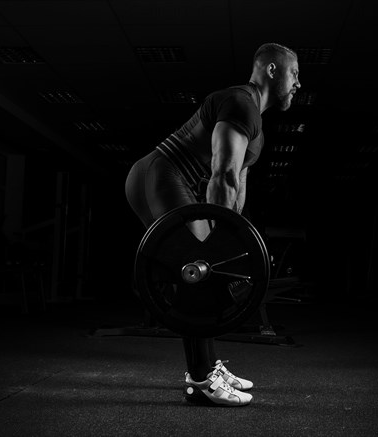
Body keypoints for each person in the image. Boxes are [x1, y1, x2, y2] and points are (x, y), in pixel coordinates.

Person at [124, 42, 301, 406]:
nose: (298, 83)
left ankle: (206, 368)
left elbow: (238, 188)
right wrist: (216, 251)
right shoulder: (240, 104)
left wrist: (233, 245)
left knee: (192, 271)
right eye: (295, 73)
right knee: (199, 270)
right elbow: (222, 176)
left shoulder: (256, 124)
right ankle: (202, 380)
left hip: (156, 176)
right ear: (271, 70)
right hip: (164, 173)